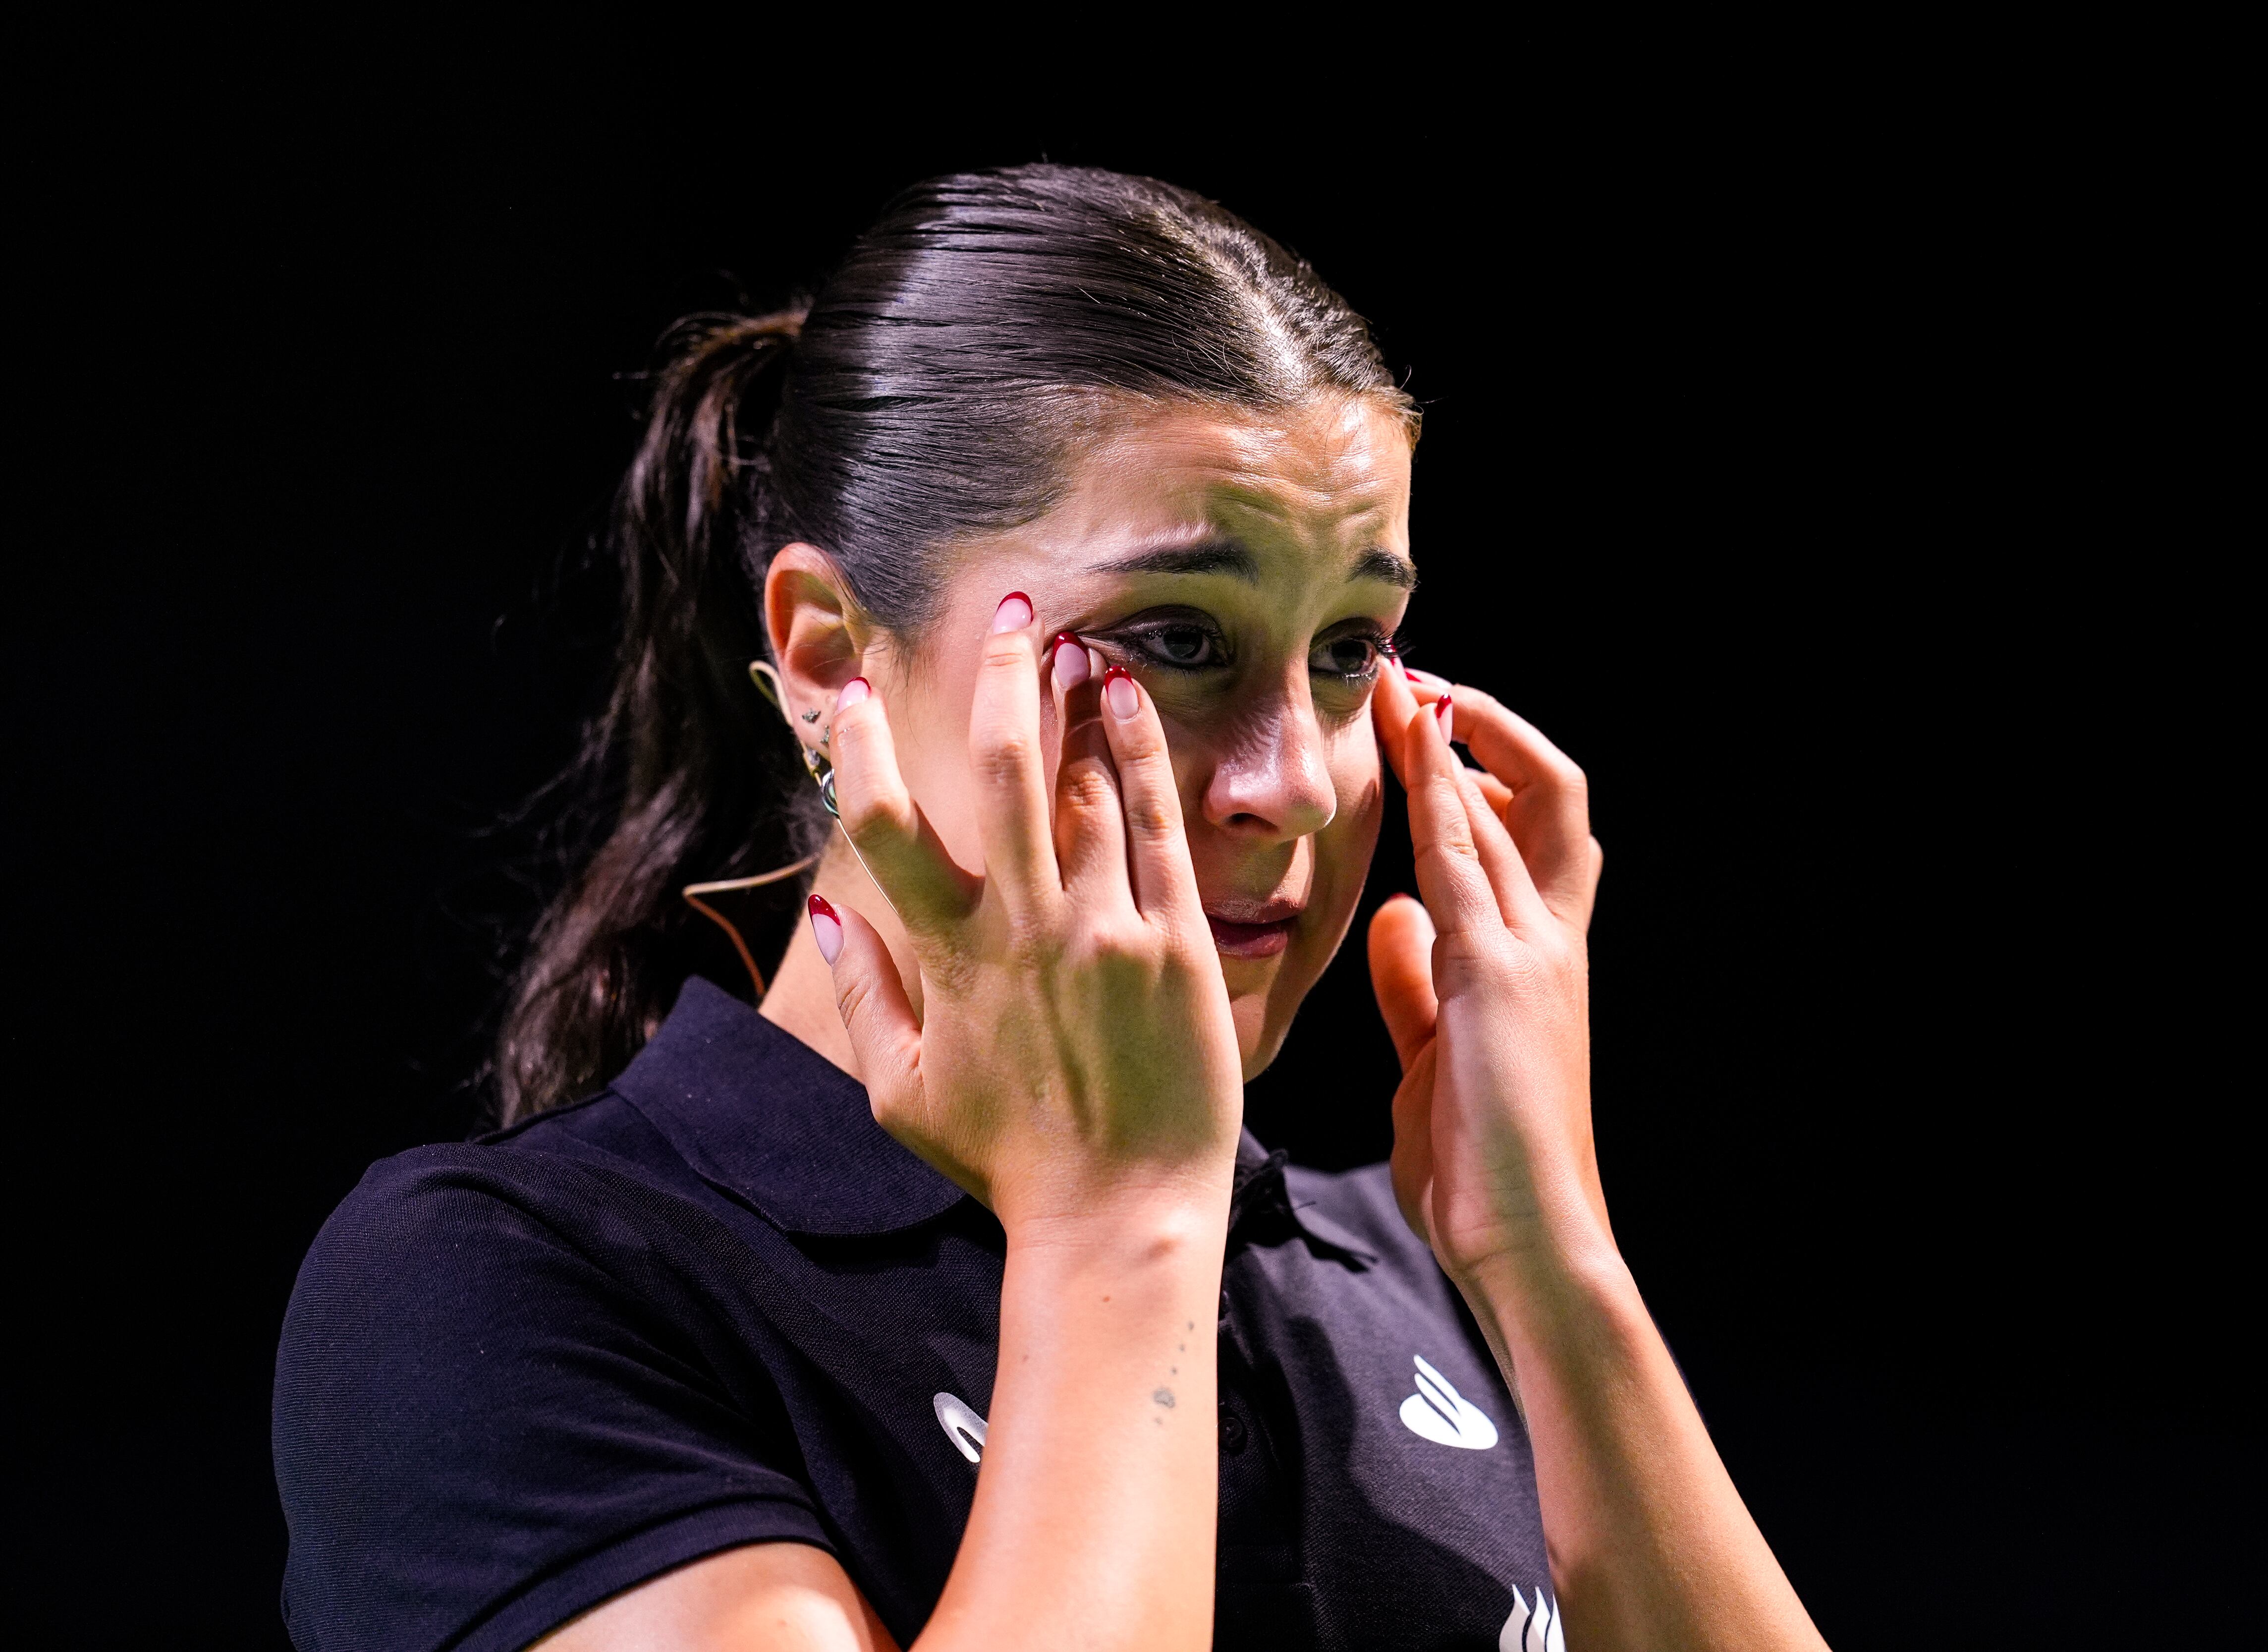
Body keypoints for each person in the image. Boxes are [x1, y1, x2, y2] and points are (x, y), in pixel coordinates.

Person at [273, 165, 1828, 1652]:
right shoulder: (502, 1286)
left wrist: (1554, 1268)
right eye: (1176, 636)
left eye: (1352, 646)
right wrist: (1117, 1225)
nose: (1290, 782)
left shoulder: (1419, 1264)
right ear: (826, 655)